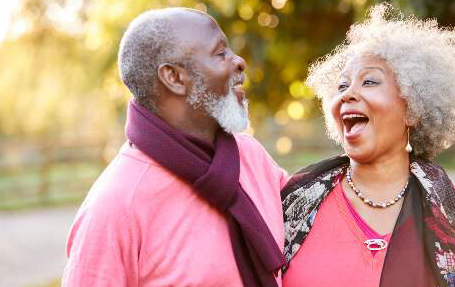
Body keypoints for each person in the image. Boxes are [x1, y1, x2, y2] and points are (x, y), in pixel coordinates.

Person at [62, 8, 288, 287]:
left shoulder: (250, 155)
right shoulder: (116, 206)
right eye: (220, 54)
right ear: (175, 78)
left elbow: (316, 220)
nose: (239, 62)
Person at [281, 4, 455, 287]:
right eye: (342, 86)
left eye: (369, 81)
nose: (348, 94)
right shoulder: (291, 204)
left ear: (412, 109)